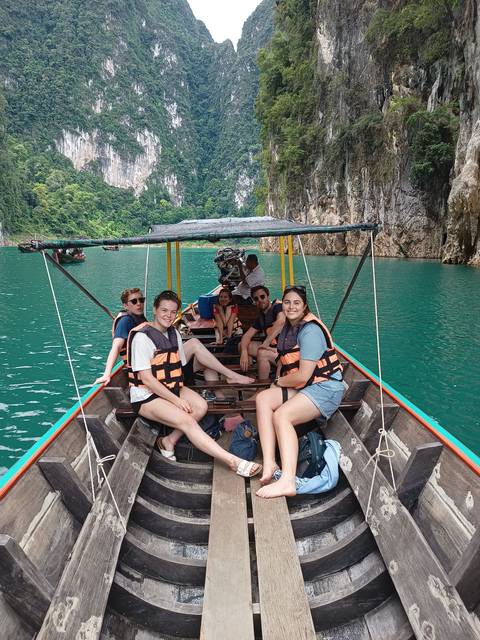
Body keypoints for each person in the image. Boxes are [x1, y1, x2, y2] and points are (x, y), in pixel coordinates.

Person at [127, 290, 258, 472]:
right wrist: (176, 400)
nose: (169, 315)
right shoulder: (142, 338)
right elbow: (147, 379)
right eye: (164, 310)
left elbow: (179, 365)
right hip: (146, 395)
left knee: (201, 407)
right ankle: (233, 462)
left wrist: (182, 391)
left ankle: (168, 441)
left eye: (173, 312)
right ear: (155, 310)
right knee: (187, 421)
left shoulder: (174, 334)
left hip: (171, 387)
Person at [254, 285, 345, 499]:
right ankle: (269, 463)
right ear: (282, 304)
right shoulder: (289, 326)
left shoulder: (310, 330)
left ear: (304, 306)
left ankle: (287, 480)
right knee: (263, 399)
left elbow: (303, 376)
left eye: (296, 303)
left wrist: (278, 381)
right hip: (309, 387)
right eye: (287, 302)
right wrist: (277, 384)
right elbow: (286, 362)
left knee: (282, 415)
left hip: (326, 389)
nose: (291, 306)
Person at [94, 288, 147, 385]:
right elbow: (116, 347)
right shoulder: (125, 321)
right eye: (134, 301)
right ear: (126, 305)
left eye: (141, 300)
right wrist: (107, 374)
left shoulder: (139, 318)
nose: (139, 303)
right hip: (141, 369)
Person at [239, 285, 285, 380]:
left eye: (262, 296)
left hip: (282, 350)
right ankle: (251, 377)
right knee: (242, 345)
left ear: (268, 296)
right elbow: (247, 335)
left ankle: (262, 385)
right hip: (270, 348)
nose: (260, 300)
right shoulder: (261, 317)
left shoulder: (278, 307)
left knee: (262, 352)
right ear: (254, 302)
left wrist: (266, 342)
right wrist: (244, 352)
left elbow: (281, 322)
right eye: (256, 299)